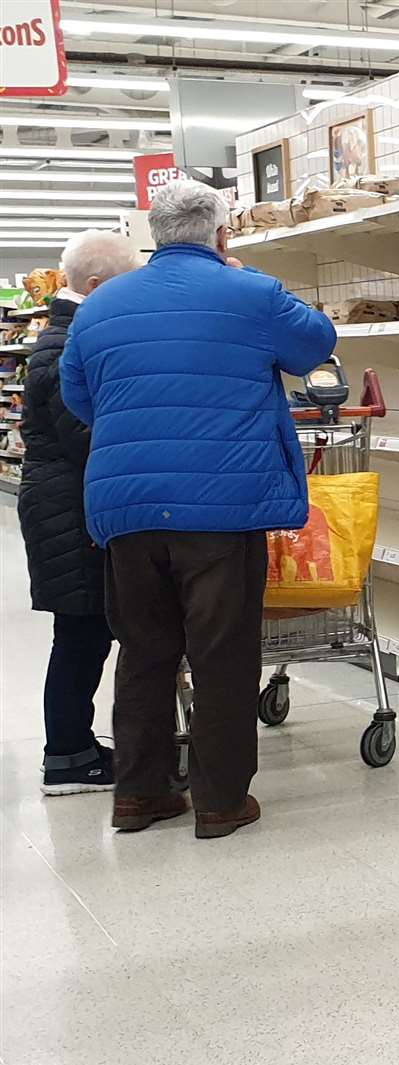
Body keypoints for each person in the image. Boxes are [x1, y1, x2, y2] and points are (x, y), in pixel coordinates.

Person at [59, 179, 337, 839]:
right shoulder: (252, 292)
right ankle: (219, 802)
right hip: (223, 506)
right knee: (221, 656)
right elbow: (316, 343)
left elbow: (78, 395)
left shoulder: (100, 306)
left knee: (144, 653)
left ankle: (139, 795)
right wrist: (251, 277)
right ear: (222, 234)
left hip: (127, 509)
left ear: (152, 234)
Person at [18, 230, 142, 796]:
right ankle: (66, 755)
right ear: (97, 286)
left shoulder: (64, 338)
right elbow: (89, 439)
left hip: (65, 502)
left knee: (84, 632)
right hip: (71, 508)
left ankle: (74, 746)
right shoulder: (66, 348)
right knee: (81, 633)